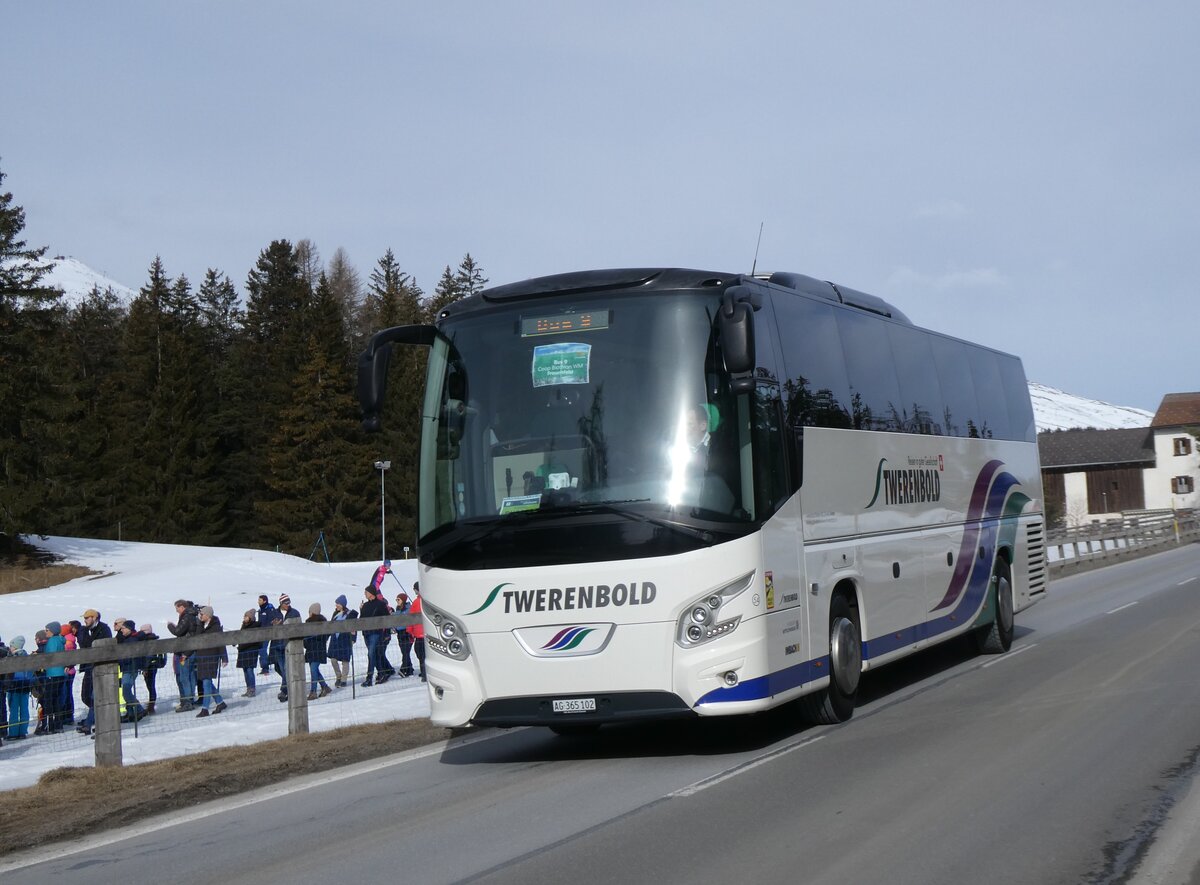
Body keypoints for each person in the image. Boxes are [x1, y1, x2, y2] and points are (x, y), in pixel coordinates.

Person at [77, 609, 112, 734]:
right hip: (88, 666)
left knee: (95, 695)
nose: (85, 620)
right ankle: (96, 716)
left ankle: (89, 722)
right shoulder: (84, 630)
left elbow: (105, 646)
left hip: (101, 666)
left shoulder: (104, 629)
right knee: (85, 696)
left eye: (87, 618)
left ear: (94, 617)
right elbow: (84, 645)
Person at [167, 599, 201, 712]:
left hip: (186, 651)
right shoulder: (193, 615)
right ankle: (190, 699)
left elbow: (178, 631)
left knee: (184, 677)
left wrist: (170, 626)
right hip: (192, 650)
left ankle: (187, 702)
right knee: (190, 675)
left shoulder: (186, 616)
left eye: (177, 608)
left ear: (181, 607)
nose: (176, 610)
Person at [194, 606, 227, 717]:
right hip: (202, 657)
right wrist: (199, 623)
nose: (200, 616)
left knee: (206, 682)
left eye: (202, 614)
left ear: (208, 615)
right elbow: (197, 638)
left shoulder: (216, 627)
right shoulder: (202, 626)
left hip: (211, 658)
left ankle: (205, 708)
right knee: (206, 681)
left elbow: (220, 643)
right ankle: (220, 702)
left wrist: (224, 658)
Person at [270, 593, 301, 702]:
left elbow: (298, 627)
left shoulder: (294, 613)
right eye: (285, 603)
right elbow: (268, 628)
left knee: (286, 668)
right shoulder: (274, 613)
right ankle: (289, 686)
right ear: (281, 603)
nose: (287, 604)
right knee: (281, 668)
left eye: (289, 602)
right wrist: (274, 626)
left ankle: (285, 690)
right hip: (277, 645)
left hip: (289, 645)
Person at [115, 620, 148, 722]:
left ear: (129, 629)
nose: (122, 630)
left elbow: (131, 656)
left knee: (126, 690)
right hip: (127, 668)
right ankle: (131, 713)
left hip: (130, 668)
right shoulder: (127, 639)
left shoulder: (132, 640)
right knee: (126, 690)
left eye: (124, 628)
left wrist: (121, 658)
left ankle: (139, 709)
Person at [359, 586, 390, 687]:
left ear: (371, 593)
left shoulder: (381, 604)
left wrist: (387, 633)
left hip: (376, 633)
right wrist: (361, 610)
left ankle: (369, 678)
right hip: (367, 633)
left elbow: (387, 619)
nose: (365, 594)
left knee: (371, 654)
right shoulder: (365, 605)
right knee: (374, 654)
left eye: (366, 592)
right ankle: (381, 673)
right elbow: (362, 619)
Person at [41, 620, 67, 732]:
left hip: (52, 673)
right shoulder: (61, 640)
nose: (45, 632)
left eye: (47, 630)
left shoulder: (51, 641)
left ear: (52, 631)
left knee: (49, 699)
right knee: (56, 698)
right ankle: (58, 723)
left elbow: (49, 657)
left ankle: (50, 725)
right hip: (60, 672)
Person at [6, 636, 33, 739]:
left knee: (13, 709)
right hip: (25, 686)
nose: (10, 648)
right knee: (24, 709)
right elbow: (30, 672)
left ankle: (13, 733)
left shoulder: (12, 658)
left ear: (15, 646)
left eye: (11, 646)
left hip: (14, 686)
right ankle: (23, 731)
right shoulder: (27, 656)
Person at [327, 595, 358, 688]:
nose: (336, 605)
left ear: (342, 604)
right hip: (335, 639)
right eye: (336, 603)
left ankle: (343, 679)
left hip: (345, 639)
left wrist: (353, 639)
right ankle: (338, 676)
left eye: (338, 604)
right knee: (333, 660)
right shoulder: (335, 614)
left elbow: (353, 627)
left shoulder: (349, 614)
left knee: (345, 660)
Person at [303, 603, 332, 700]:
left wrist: (306, 643)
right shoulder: (323, 624)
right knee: (314, 670)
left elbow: (306, 638)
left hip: (313, 650)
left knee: (313, 669)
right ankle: (325, 687)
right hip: (318, 650)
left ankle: (313, 691)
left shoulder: (311, 624)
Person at [235, 610, 262, 697]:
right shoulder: (244, 625)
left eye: (246, 616)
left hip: (251, 651)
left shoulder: (255, 626)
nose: (244, 618)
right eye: (244, 616)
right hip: (243, 651)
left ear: (250, 617)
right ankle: (248, 688)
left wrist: (242, 646)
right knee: (245, 670)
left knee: (250, 670)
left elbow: (252, 640)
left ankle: (252, 689)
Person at [139, 623, 162, 714]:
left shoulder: (147, 641)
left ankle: (151, 706)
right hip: (153, 665)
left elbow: (148, 656)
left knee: (150, 685)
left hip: (149, 666)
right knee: (151, 685)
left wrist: (145, 668)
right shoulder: (154, 639)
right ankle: (151, 703)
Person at [408, 582, 427, 682]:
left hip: (419, 634)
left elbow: (411, 618)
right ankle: (426, 672)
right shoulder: (428, 600)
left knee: (420, 653)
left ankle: (424, 672)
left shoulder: (416, 602)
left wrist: (409, 631)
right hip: (428, 633)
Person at [395, 591, 415, 678]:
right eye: (396, 600)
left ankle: (404, 669)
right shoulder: (398, 609)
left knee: (406, 651)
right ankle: (409, 668)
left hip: (407, 632)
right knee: (404, 651)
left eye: (398, 599)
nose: (397, 601)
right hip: (399, 633)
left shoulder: (408, 609)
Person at [255, 594, 276, 674]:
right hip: (261, 634)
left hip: (267, 633)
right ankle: (265, 665)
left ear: (265, 601)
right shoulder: (260, 610)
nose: (258, 602)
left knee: (262, 650)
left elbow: (271, 621)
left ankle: (265, 668)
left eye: (260, 600)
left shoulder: (270, 609)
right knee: (261, 650)